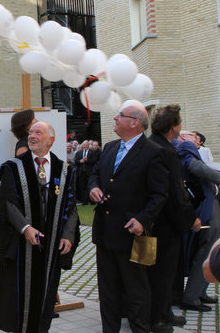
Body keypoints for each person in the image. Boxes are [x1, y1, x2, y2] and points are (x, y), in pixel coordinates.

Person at [0, 121, 79, 333]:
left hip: (51, 244)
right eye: (30, 132)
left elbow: (71, 205)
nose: (32, 136)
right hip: (22, 246)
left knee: (46, 294)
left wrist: (68, 235)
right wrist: (25, 228)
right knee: (20, 297)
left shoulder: (64, 170)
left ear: (51, 140)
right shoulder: (13, 167)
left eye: (38, 132)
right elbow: (6, 203)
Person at [88, 103, 169, 333]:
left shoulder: (154, 152)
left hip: (135, 234)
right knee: (108, 291)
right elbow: (95, 175)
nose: (114, 118)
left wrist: (143, 220)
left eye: (120, 116)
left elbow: (160, 194)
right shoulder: (111, 147)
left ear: (135, 122)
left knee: (137, 291)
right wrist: (93, 188)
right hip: (105, 232)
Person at [148, 105, 200, 332]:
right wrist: (191, 219)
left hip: (150, 221)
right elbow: (176, 192)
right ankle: (158, 318)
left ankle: (163, 312)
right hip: (165, 223)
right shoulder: (167, 151)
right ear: (173, 127)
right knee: (163, 272)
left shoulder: (149, 145)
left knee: (153, 271)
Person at [176, 130, 220, 312]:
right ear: (185, 137)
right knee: (205, 251)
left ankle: (200, 292)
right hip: (207, 208)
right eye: (195, 136)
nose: (198, 139)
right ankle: (192, 297)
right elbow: (195, 167)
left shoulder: (186, 148)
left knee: (208, 250)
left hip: (208, 206)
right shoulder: (184, 146)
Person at [75, 140, 93, 205]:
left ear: (88, 145)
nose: (85, 146)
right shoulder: (79, 153)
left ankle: (91, 201)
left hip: (89, 172)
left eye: (86, 145)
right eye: (84, 145)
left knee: (90, 186)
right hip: (81, 172)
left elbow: (94, 161)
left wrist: (87, 160)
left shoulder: (92, 152)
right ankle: (84, 201)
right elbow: (76, 161)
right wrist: (80, 161)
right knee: (82, 187)